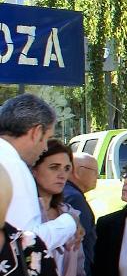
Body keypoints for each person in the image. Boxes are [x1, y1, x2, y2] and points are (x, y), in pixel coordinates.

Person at [32, 141, 90, 276]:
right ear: (35, 169)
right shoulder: (29, 216)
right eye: (54, 167)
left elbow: (79, 274)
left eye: (66, 169)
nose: (62, 175)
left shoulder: (70, 213)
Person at [0, 93, 79, 251]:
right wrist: (69, 222)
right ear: (36, 132)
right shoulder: (15, 168)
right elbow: (27, 242)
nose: (44, 148)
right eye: (47, 138)